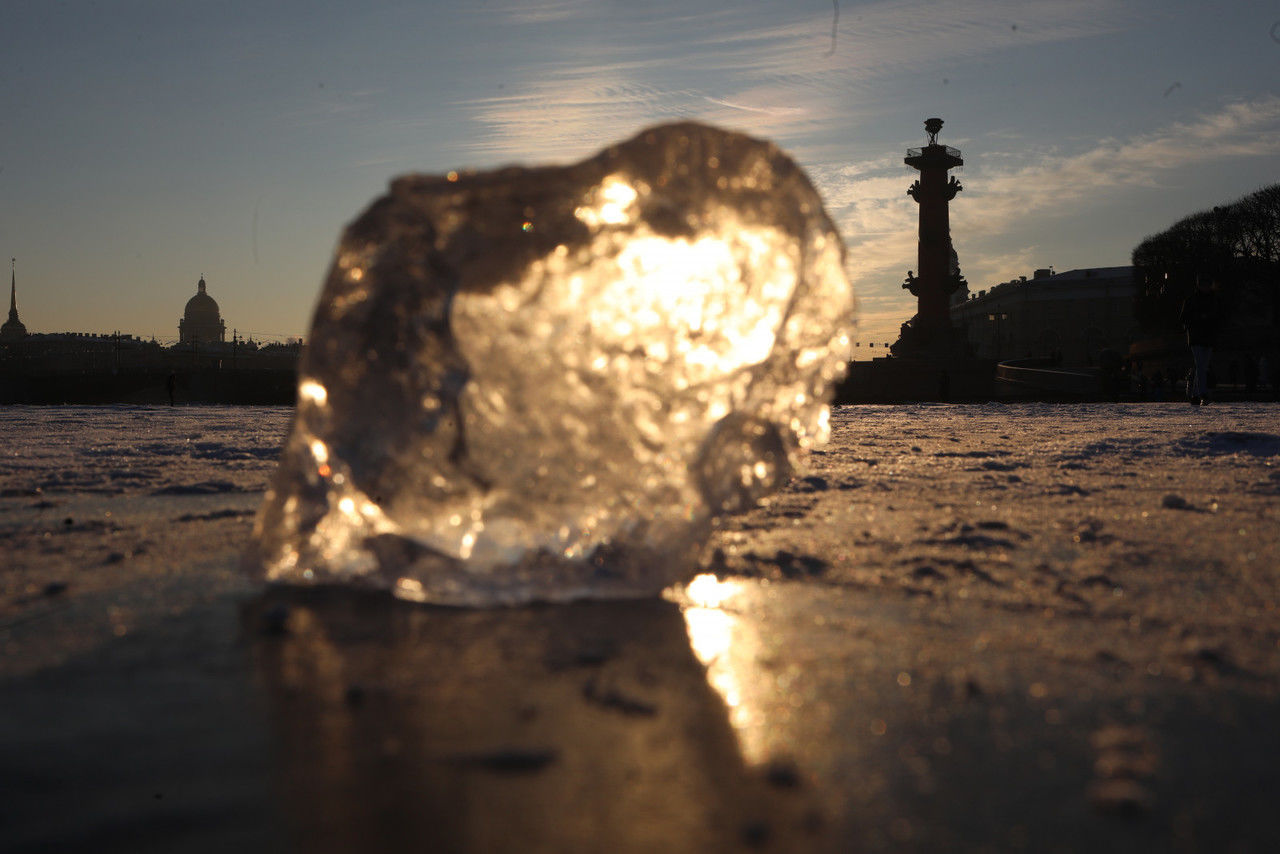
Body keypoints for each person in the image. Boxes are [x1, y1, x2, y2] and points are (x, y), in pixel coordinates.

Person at [1178, 275, 1220, 406]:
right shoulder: (1193, 300)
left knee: (1201, 366)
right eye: (1204, 285)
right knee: (1201, 365)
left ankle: (1196, 395)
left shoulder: (1212, 300)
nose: (1206, 287)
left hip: (1206, 337)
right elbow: (1183, 318)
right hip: (1198, 337)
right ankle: (1202, 392)